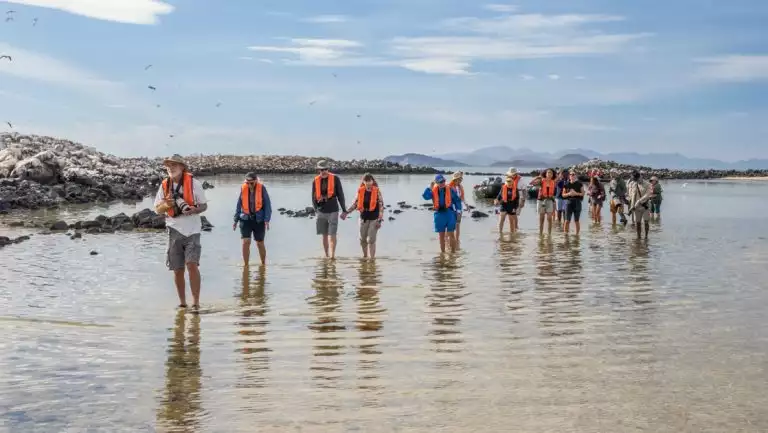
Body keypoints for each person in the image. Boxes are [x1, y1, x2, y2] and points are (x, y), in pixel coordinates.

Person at [154, 154, 208, 311]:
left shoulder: (194, 184)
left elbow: (204, 206)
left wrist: (194, 210)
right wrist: (166, 205)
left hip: (193, 230)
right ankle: (183, 303)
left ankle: (196, 303)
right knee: (177, 269)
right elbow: (158, 209)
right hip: (173, 229)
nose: (171, 168)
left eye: (174, 165)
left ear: (182, 167)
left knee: (192, 265)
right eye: (168, 166)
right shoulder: (164, 185)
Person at [232, 172, 272, 265]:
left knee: (259, 243)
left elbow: (267, 205)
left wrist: (266, 220)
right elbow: (239, 205)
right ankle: (246, 266)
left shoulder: (262, 189)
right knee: (246, 242)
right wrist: (235, 220)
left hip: (259, 220)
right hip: (245, 219)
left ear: (256, 181)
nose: (249, 185)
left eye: (252, 183)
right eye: (248, 183)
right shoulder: (243, 188)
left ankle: (263, 265)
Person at [311, 160, 347, 259]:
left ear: (328, 169)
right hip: (321, 211)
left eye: (325, 169)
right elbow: (313, 197)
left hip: (333, 210)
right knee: (324, 235)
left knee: (332, 234)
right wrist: (316, 210)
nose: (324, 171)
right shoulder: (315, 181)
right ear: (318, 170)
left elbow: (341, 195)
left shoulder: (335, 179)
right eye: (322, 169)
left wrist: (344, 210)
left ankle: (332, 256)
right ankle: (326, 255)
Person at [345, 173, 385, 259]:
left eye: (369, 181)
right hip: (363, 218)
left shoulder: (377, 191)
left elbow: (381, 206)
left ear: (372, 181)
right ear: (363, 182)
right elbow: (355, 204)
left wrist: (379, 220)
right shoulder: (360, 191)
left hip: (374, 219)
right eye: (366, 181)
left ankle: (372, 259)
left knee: (371, 240)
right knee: (362, 239)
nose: (368, 183)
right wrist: (346, 212)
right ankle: (365, 256)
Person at [422, 174, 461, 253]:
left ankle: (453, 254)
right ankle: (442, 255)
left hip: (449, 213)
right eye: (440, 182)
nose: (442, 183)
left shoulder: (449, 189)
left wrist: (459, 210)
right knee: (441, 237)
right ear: (436, 182)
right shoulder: (433, 190)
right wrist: (429, 187)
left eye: (443, 181)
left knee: (451, 235)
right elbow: (425, 196)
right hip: (439, 214)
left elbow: (457, 200)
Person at [494, 167, 522, 234]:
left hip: (511, 206)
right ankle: (500, 233)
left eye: (510, 182)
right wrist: (496, 201)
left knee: (511, 221)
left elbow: (517, 200)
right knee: (501, 220)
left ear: (513, 182)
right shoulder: (503, 188)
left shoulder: (515, 189)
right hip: (504, 205)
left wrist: (515, 208)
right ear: (506, 182)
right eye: (507, 182)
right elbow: (499, 196)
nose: (509, 183)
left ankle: (512, 234)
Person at [628, 170, 654, 239]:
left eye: (636, 179)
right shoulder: (633, 184)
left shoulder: (648, 184)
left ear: (640, 176)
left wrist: (639, 201)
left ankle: (646, 237)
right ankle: (638, 237)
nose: (636, 181)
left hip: (646, 206)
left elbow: (648, 195)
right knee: (638, 223)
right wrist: (631, 207)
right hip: (636, 207)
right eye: (634, 180)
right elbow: (632, 196)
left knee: (646, 222)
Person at [562, 170, 585, 235]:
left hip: (577, 203)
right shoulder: (566, 184)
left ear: (576, 175)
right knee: (566, 221)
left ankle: (577, 236)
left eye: (573, 174)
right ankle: (565, 236)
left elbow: (583, 194)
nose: (572, 175)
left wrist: (575, 193)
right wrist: (569, 194)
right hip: (568, 202)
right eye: (571, 174)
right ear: (569, 176)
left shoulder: (579, 184)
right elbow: (563, 195)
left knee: (576, 221)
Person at [537, 168, 557, 235]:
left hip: (550, 200)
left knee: (549, 218)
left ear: (552, 174)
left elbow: (554, 193)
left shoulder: (553, 182)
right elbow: (532, 183)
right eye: (548, 172)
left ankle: (549, 235)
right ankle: (540, 234)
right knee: (541, 219)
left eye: (551, 173)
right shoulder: (542, 181)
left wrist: (554, 202)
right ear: (545, 174)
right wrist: (538, 178)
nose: (549, 174)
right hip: (541, 200)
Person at [448, 171, 466, 247]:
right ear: (455, 179)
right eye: (459, 179)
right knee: (450, 225)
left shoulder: (460, 187)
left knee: (458, 224)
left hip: (459, 208)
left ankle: (457, 240)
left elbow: (462, 197)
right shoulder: (449, 187)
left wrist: (466, 205)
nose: (460, 181)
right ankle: (448, 239)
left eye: (461, 179)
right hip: (451, 208)